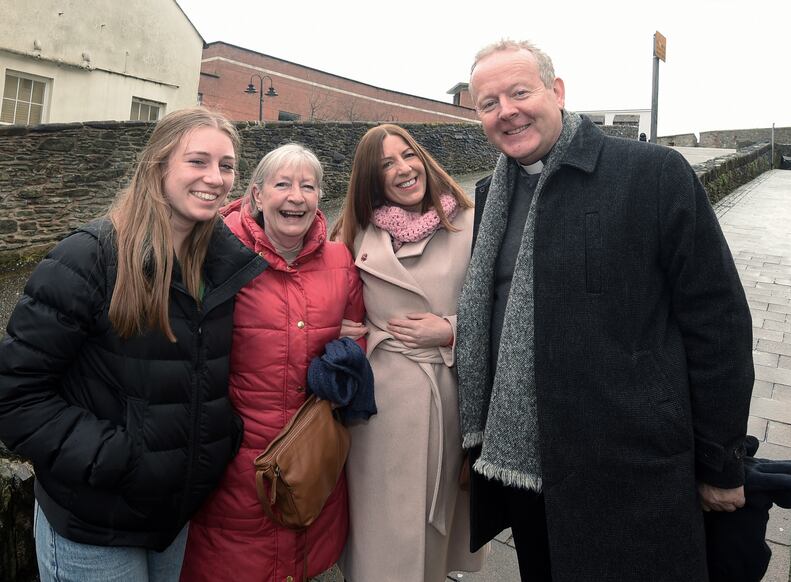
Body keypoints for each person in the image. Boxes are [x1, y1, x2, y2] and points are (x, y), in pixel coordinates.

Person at [458, 39, 754, 582]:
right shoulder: (488, 193)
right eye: (488, 102)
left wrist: (721, 461)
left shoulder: (653, 174)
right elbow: (493, 309)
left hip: (632, 475)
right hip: (526, 470)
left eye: (520, 91)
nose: (507, 111)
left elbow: (719, 324)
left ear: (558, 91)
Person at [0, 107, 266, 581]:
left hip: (170, 518)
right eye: (198, 161)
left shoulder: (218, 268)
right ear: (158, 167)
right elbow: (15, 396)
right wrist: (118, 458)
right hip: (93, 521)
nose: (216, 178)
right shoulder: (88, 257)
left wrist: (217, 442)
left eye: (226, 166)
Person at [180, 144, 365, 581]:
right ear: (257, 196)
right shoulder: (213, 254)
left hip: (311, 459)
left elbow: (359, 335)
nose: (296, 197)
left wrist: (346, 359)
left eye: (308, 186)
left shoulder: (341, 261)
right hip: (235, 465)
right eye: (282, 184)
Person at [331, 124, 488, 581]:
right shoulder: (353, 233)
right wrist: (340, 327)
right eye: (387, 164)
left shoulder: (471, 223)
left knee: (429, 533)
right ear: (371, 179)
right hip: (377, 410)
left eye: (408, 156)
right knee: (381, 529)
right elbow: (328, 295)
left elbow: (508, 307)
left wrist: (450, 330)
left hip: (445, 394)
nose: (403, 169)